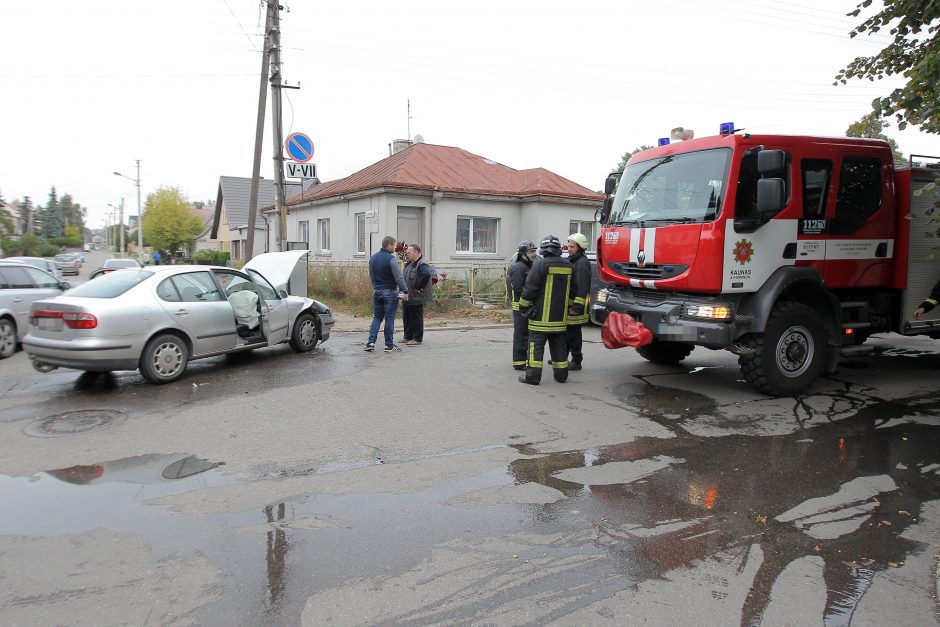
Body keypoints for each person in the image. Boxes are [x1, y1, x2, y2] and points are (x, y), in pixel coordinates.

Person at [517, 234, 580, 385]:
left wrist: (523, 307)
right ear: (559, 249)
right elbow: (574, 291)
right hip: (559, 320)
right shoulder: (569, 266)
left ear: (543, 249)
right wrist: (569, 306)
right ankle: (561, 375)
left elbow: (529, 288)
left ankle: (532, 377)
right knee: (559, 346)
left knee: (535, 348)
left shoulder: (540, 265)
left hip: (539, 320)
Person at [366, 235, 409, 352]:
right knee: (389, 319)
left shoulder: (373, 258)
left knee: (377, 318)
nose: (395, 247)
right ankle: (389, 345)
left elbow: (371, 276)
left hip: (377, 292)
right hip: (390, 292)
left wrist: (375, 287)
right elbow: (398, 277)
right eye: (394, 245)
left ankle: (370, 343)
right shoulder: (391, 259)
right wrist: (405, 290)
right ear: (389, 245)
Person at [507, 239, 537, 370]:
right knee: (521, 334)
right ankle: (519, 362)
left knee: (527, 334)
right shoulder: (518, 267)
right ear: (523, 253)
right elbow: (519, 289)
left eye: (534, 251)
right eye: (531, 252)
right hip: (520, 306)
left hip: (527, 305)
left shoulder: (529, 265)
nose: (533, 254)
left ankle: (524, 359)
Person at [564, 233, 592, 370]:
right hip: (571, 305)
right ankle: (562, 357)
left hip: (577, 306)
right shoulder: (573, 260)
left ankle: (576, 360)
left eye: (571, 247)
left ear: (580, 248)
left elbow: (582, 287)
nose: (568, 249)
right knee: (567, 333)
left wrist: (577, 307)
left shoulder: (581, 264)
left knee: (574, 334)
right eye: (568, 246)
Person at [402, 243, 433, 345]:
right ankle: (407, 336)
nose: (407, 255)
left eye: (409, 253)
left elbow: (427, 274)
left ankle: (417, 338)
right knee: (407, 316)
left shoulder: (422, 263)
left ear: (416, 252)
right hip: (408, 295)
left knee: (416, 317)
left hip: (416, 296)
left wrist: (418, 287)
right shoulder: (410, 262)